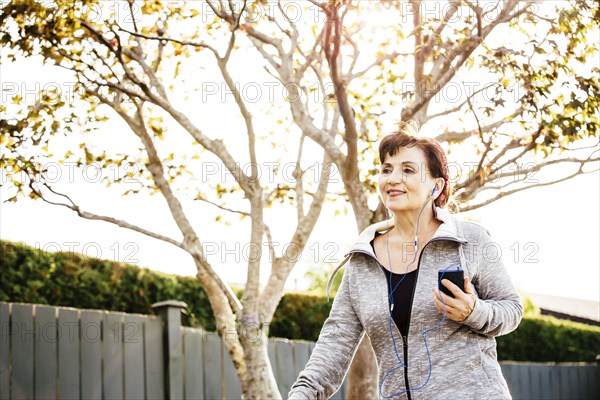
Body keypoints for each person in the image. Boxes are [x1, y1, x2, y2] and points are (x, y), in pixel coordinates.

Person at [288, 123, 523, 400]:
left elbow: (511, 310)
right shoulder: (363, 261)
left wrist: (474, 312)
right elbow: (335, 342)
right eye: (387, 169)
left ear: (436, 187)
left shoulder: (470, 241)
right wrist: (301, 394)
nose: (393, 178)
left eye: (408, 170)